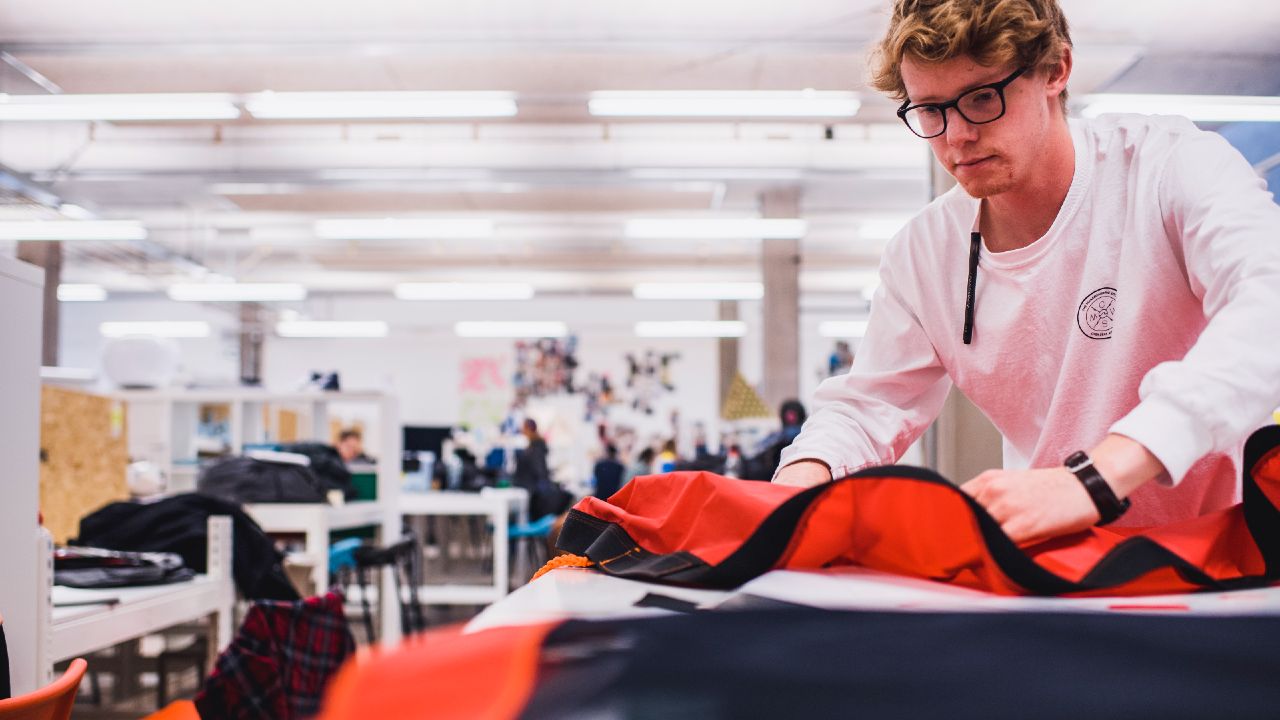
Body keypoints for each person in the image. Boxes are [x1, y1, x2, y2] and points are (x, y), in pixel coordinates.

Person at [775, 0, 1280, 546]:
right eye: (930, 110)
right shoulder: (923, 253)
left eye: (982, 99)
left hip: (1227, 554)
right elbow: (868, 407)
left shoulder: (1169, 167)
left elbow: (1267, 304)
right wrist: (800, 479)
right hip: (1056, 563)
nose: (956, 136)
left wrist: (1099, 476)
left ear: (1055, 70)